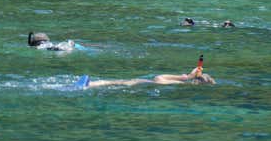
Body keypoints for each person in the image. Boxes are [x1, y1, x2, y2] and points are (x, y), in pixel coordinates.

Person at [83, 66, 215, 88]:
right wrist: (188, 76)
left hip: (148, 83)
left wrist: (186, 77)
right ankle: (92, 84)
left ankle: (91, 85)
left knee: (118, 83)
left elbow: (159, 78)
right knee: (118, 82)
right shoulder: (183, 84)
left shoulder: (182, 84)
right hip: (146, 82)